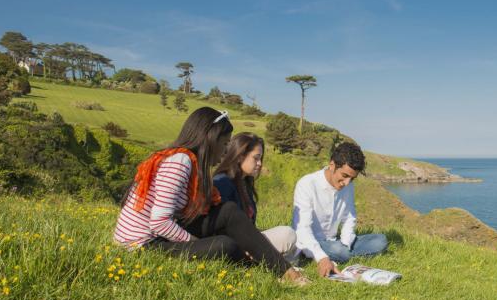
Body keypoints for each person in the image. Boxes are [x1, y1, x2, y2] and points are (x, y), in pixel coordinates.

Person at [113, 107, 308, 285]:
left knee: (228, 212)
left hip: (159, 235)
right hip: (144, 245)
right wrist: (196, 243)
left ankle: (284, 270)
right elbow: (159, 223)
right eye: (224, 143)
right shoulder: (180, 161)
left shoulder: (188, 161)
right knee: (224, 245)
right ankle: (276, 267)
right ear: (210, 139)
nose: (224, 151)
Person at [292, 142, 388, 277]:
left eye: (352, 178)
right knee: (338, 250)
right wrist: (322, 258)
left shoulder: (348, 185)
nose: (347, 183)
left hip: (335, 242)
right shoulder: (307, 184)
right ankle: (318, 255)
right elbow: (302, 229)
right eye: (344, 176)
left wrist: (346, 243)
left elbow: (349, 217)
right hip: (310, 241)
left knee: (381, 241)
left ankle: (341, 253)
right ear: (332, 165)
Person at [213, 133, 297, 261]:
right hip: (234, 245)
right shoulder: (223, 182)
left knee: (289, 236)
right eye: (256, 158)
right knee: (287, 234)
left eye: (261, 159)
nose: (259, 164)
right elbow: (221, 227)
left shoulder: (245, 183)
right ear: (240, 156)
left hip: (246, 241)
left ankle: (281, 262)